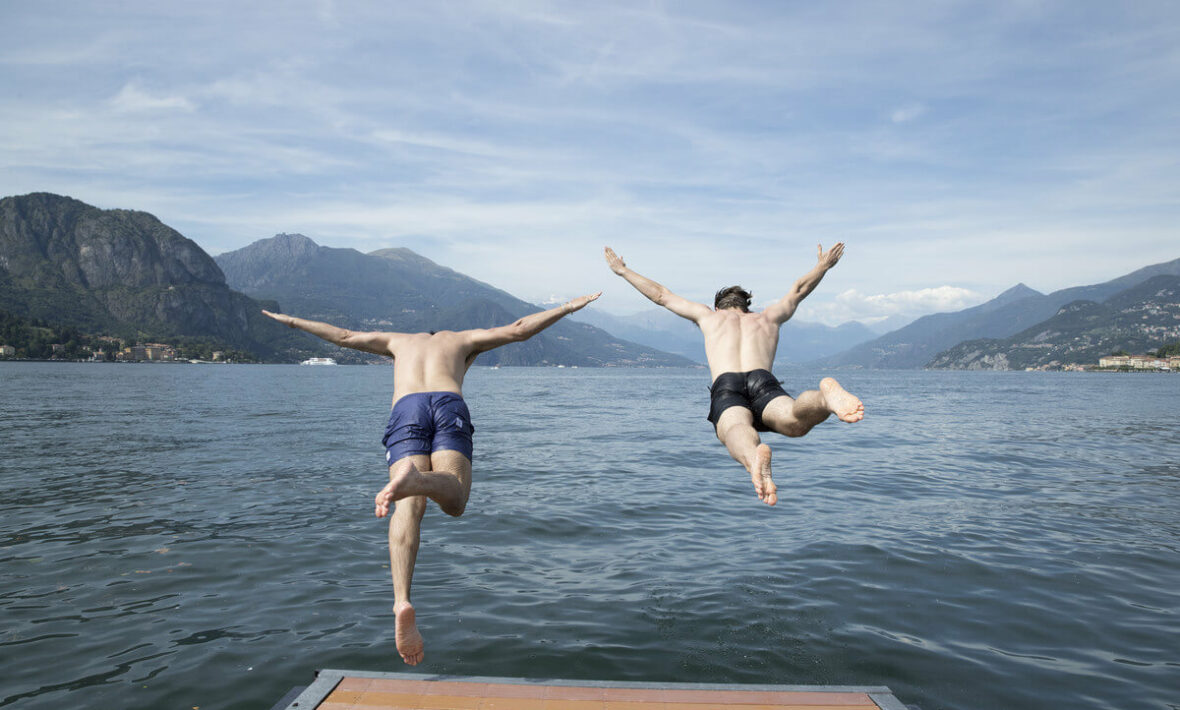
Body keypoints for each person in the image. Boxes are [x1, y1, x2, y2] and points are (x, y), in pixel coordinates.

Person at [262, 293, 600, 665]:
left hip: (406, 408)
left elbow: (342, 336)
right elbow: (519, 331)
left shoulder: (398, 342)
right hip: (447, 402)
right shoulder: (462, 341)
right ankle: (421, 481)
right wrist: (567, 307)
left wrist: (292, 320)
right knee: (455, 501)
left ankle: (401, 599)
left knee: (406, 511)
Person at [603, 244, 862, 506]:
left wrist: (623, 271)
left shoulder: (707, 317)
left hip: (727, 385)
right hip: (764, 382)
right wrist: (822, 266)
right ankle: (823, 399)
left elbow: (661, 295)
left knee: (735, 428)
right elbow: (799, 290)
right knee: (795, 419)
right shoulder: (768, 318)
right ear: (746, 307)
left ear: (718, 308)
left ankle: (753, 459)